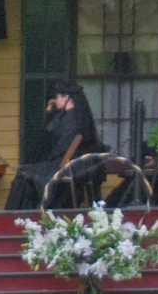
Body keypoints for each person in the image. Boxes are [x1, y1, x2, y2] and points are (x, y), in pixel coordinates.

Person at [9, 83, 104, 211]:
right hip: (60, 162)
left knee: (25, 174)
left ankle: (22, 212)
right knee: (24, 172)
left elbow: (60, 146)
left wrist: (48, 158)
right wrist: (49, 111)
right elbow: (46, 134)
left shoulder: (73, 119)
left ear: (66, 98)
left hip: (66, 165)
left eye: (57, 97)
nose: (54, 101)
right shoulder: (64, 116)